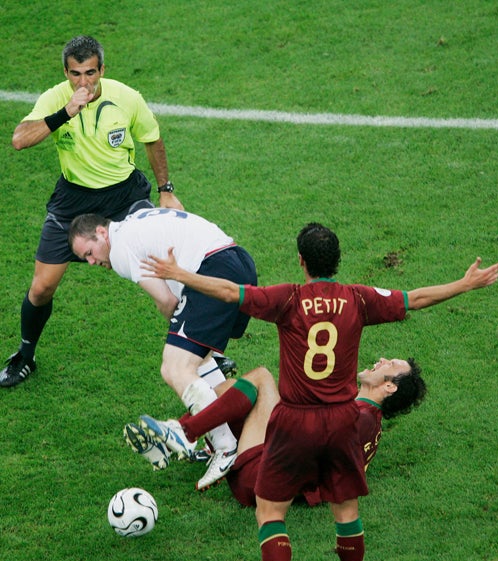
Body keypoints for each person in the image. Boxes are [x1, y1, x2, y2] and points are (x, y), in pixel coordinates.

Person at [138, 221, 498, 561]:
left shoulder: (288, 299)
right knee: (347, 512)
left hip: (294, 420)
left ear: (301, 261)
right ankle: (189, 434)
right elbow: (415, 299)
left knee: (270, 512)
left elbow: (230, 292)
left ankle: (186, 432)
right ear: (338, 261)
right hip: (339, 419)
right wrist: (464, 284)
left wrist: (180, 274)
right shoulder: (358, 299)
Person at [0, 35, 182, 389]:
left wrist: (165, 191)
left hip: (124, 197)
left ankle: (207, 351)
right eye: (75, 74)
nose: (83, 82)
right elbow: (20, 139)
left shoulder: (126, 98)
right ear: (65, 72)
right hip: (73, 200)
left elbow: (152, 138)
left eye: (90, 73)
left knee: (169, 268)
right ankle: (25, 355)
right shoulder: (55, 98)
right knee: (41, 289)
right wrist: (64, 112)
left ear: (102, 70)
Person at [68, 207, 258, 489]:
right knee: (199, 358)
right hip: (238, 261)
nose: (92, 262)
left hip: (212, 268)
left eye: (89, 253)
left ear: (101, 232)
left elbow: (166, 301)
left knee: (174, 366)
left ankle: (225, 446)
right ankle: (226, 432)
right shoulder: (134, 221)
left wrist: (181, 334)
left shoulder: (119, 250)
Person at [124, 357, 426, 503]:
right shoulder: (364, 416)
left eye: (391, 364)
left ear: (389, 386)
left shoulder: (357, 418)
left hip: (261, 480)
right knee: (230, 388)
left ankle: (190, 435)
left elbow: (298, 443)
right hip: (270, 471)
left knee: (261, 379)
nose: (382, 360)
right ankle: (189, 445)